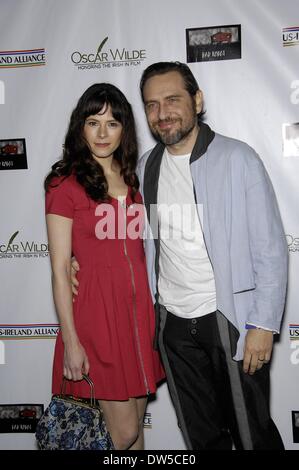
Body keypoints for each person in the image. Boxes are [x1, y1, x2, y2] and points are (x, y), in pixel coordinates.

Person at [72, 63, 288, 450]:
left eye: (172, 100)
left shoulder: (238, 159)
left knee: (251, 433)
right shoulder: (145, 168)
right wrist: (78, 262)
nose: (162, 113)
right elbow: (125, 236)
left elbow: (271, 248)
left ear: (197, 100)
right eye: (152, 105)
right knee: (200, 436)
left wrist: (264, 324)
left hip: (230, 320)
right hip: (172, 325)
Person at [45, 83, 164, 451]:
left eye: (111, 123)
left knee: (137, 437)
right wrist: (71, 342)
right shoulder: (64, 183)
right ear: (79, 126)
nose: (101, 133)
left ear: (124, 128)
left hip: (138, 316)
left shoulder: (135, 178)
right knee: (122, 434)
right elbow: (60, 269)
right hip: (96, 318)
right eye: (92, 122)